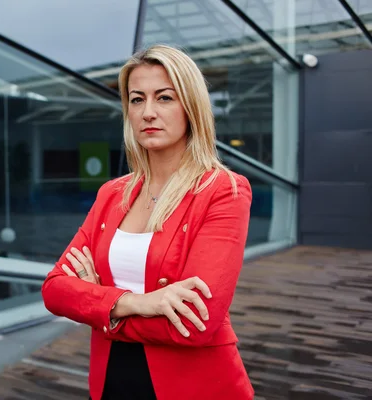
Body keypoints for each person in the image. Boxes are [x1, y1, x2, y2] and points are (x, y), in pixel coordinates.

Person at [41, 44, 254, 400]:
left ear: (191, 107)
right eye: (137, 100)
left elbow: (194, 324)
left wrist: (101, 308)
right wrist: (142, 302)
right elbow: (55, 290)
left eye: (165, 98)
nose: (148, 113)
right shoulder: (113, 193)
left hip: (193, 386)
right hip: (111, 382)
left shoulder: (223, 191)